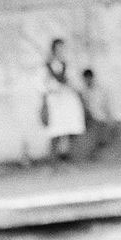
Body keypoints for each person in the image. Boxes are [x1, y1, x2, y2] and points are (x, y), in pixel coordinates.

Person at [41, 38, 85, 168]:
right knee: (55, 131)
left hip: (68, 101)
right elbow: (43, 85)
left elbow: (76, 83)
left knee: (70, 130)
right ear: (54, 49)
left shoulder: (69, 65)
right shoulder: (47, 67)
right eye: (59, 48)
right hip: (55, 102)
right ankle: (53, 163)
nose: (61, 51)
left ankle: (66, 159)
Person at [80, 67, 113, 157]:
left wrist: (109, 117)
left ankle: (96, 152)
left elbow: (105, 105)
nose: (87, 81)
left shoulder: (100, 90)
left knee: (101, 132)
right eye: (86, 79)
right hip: (90, 118)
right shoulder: (83, 92)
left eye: (88, 78)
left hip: (99, 117)